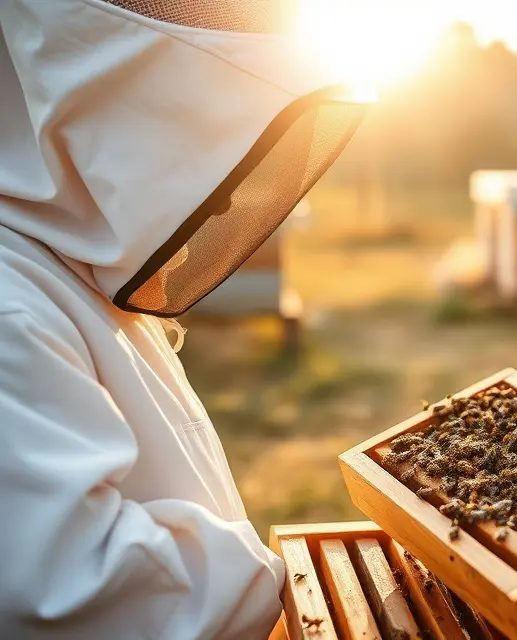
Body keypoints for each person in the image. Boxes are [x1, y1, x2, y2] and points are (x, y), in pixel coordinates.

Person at [0, 0, 370, 636]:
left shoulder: (63, 265)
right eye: (192, 140)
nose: (226, 196)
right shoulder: (12, 301)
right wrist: (316, 585)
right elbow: (73, 590)